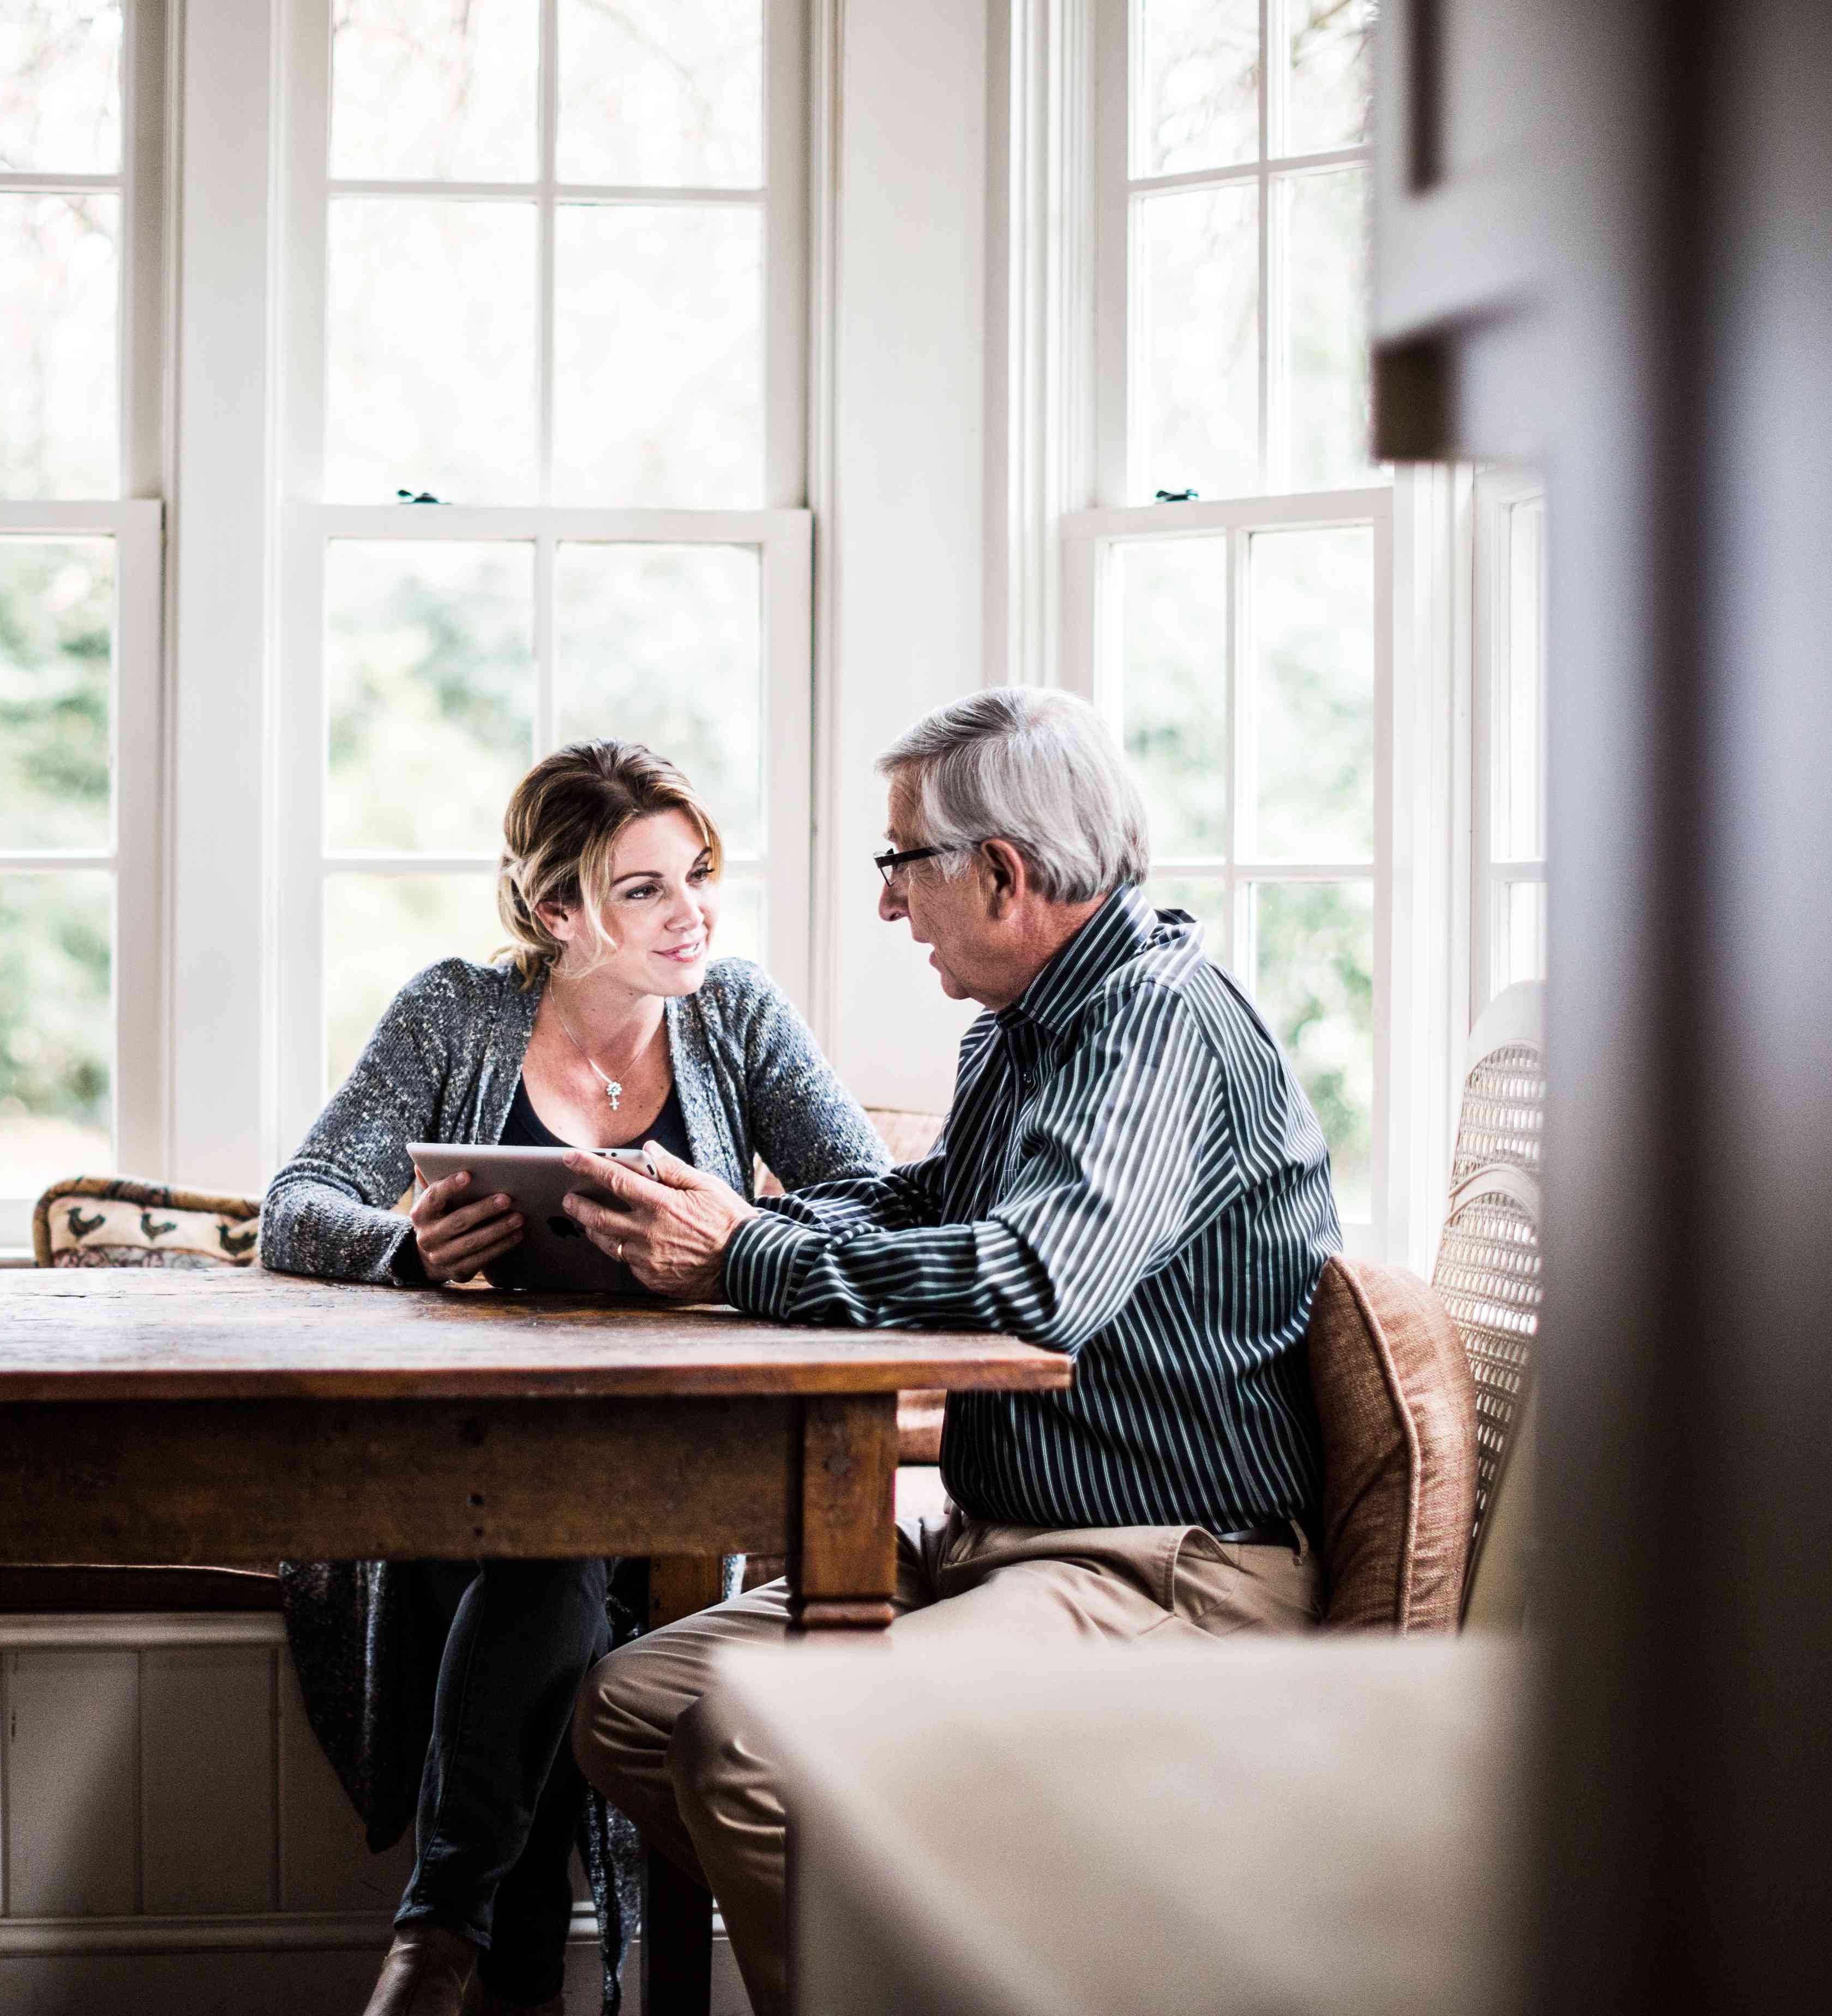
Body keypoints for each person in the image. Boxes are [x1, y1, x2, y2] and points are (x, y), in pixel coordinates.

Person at [557, 689, 1341, 2015]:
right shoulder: (1019, 1032)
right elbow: (924, 1207)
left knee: (754, 1748)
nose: (885, 905)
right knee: (633, 1706)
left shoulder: (1153, 1022)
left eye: (897, 863)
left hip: (1168, 1565)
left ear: (1001, 871)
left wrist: (741, 1258)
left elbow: (1033, 1283)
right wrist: (726, 1220)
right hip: (999, 1538)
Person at [259, 740, 888, 2016]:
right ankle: (487, 1965)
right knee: (552, 1563)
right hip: (465, 1462)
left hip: (666, 1462)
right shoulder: (455, 1011)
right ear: (557, 911)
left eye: (698, 875)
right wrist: (405, 1247)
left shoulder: (739, 1017)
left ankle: (442, 1942)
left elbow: (871, 1209)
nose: (692, 912)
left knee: (559, 1558)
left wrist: (734, 1241)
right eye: (645, 887)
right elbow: (293, 1208)